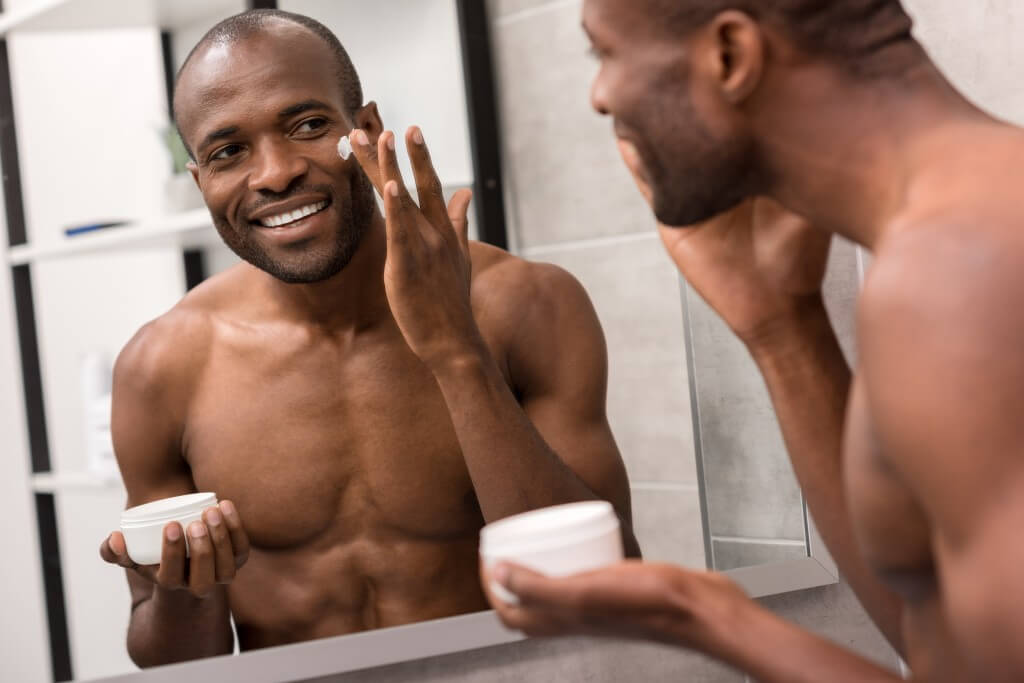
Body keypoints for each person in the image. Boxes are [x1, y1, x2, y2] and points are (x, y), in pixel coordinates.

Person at [485, 1, 1024, 681]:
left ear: (730, 55)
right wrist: (780, 327)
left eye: (605, 54)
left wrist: (700, 613)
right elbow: (939, 629)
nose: (600, 97)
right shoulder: (961, 231)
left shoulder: (960, 273)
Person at [98, 8, 640, 667]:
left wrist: (457, 350)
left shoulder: (526, 305)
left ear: (367, 130)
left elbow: (609, 585)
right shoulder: (160, 369)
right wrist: (187, 596)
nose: (274, 173)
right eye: (227, 152)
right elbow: (168, 659)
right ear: (201, 182)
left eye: (307, 124)